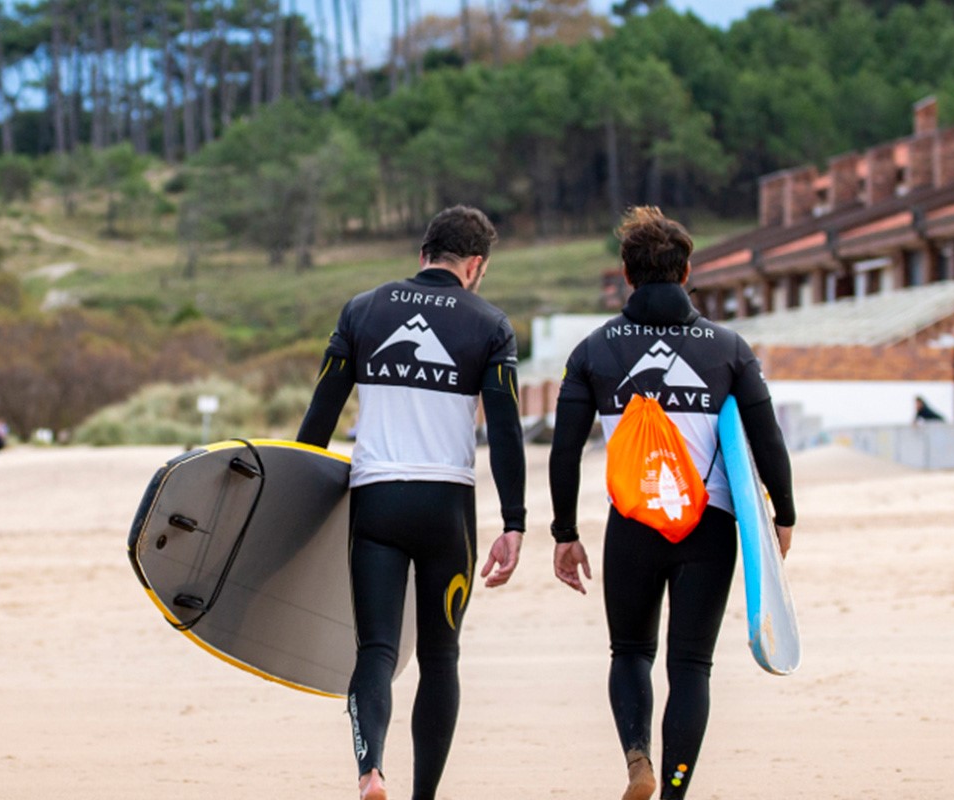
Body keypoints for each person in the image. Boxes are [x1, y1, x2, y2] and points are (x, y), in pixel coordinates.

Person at [548, 208, 797, 800]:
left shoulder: (595, 350)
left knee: (630, 651)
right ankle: (676, 791)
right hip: (709, 527)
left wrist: (565, 531)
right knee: (691, 666)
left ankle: (639, 761)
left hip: (633, 524)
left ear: (628, 276)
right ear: (686, 272)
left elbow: (564, 450)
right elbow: (767, 440)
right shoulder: (728, 348)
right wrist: (781, 516)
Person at [295, 205, 528, 800]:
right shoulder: (490, 324)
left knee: (375, 648)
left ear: (422, 254)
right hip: (446, 510)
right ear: (474, 265)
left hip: (375, 503)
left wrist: (293, 498)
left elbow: (322, 410)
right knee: (440, 656)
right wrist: (514, 523)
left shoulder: (363, 309)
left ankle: (370, 770)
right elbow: (505, 432)